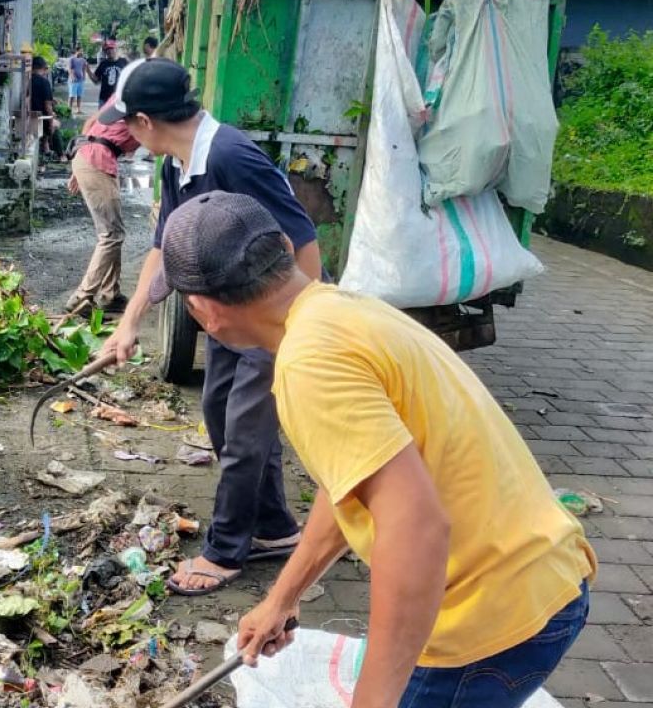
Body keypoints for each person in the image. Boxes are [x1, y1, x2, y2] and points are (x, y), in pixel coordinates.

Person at [151, 190, 597, 708]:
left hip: (488, 623)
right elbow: (351, 484)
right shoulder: (342, 309)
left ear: (203, 308)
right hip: (546, 580)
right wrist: (283, 597)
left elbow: (417, 529)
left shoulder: (310, 363)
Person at [98, 58, 322, 596]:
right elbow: (164, 245)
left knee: (246, 433)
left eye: (126, 123)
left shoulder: (231, 155)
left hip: (274, 318)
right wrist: (128, 325)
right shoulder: (178, 163)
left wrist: (301, 326)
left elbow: (304, 239)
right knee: (220, 413)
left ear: (147, 122)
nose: (124, 133)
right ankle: (272, 528)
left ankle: (225, 552)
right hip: (230, 313)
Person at [64, 97, 140, 315]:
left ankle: (110, 295)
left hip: (91, 156)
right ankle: (81, 297)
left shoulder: (123, 95)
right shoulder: (143, 99)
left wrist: (81, 163)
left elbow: (90, 122)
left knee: (113, 232)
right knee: (111, 234)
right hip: (96, 159)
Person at [30, 56, 64, 162]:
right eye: (46, 69)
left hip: (30, 116)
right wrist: (50, 121)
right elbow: (47, 106)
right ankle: (61, 155)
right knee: (55, 125)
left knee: (51, 120)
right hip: (41, 118)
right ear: (43, 68)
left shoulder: (28, 80)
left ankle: (46, 148)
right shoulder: (44, 82)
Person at [88, 40, 128, 105]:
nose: (109, 51)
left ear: (116, 49)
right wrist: (88, 70)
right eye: (107, 49)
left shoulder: (124, 61)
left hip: (119, 100)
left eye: (111, 49)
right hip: (104, 99)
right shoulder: (103, 64)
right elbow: (96, 81)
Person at [68, 47, 87, 115]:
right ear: (76, 51)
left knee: (79, 95)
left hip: (80, 80)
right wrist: (72, 76)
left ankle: (79, 109)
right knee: (72, 96)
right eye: (80, 51)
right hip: (73, 81)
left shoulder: (83, 60)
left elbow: (84, 68)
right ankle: (69, 110)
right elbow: (69, 69)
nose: (81, 52)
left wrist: (84, 76)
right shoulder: (72, 59)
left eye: (82, 51)